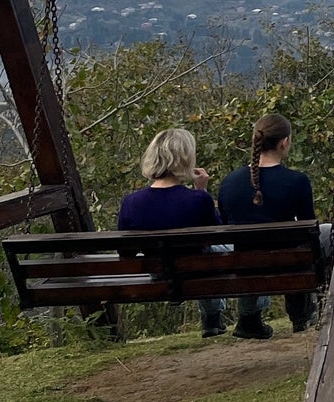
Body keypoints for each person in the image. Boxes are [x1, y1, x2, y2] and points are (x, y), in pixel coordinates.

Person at [217, 113, 322, 339]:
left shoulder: (230, 182)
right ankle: (301, 315)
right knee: (314, 241)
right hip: (287, 262)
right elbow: (308, 227)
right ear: (284, 142)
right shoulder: (297, 181)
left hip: (245, 263)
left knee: (253, 250)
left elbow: (225, 223)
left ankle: (248, 318)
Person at [117, 127, 227, 338]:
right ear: (186, 160)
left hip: (159, 272)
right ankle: (213, 317)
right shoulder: (198, 200)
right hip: (197, 269)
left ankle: (213, 318)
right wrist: (202, 190)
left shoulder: (131, 203)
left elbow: (126, 254)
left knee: (205, 255)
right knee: (222, 251)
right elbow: (218, 234)